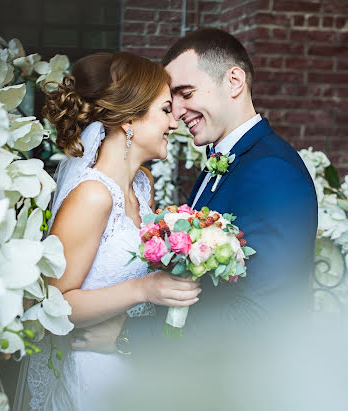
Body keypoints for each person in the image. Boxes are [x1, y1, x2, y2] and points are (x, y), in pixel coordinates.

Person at [71, 28, 322, 410]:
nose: (177, 112)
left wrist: (128, 337)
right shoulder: (219, 165)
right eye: (171, 101)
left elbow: (262, 317)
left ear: (234, 81)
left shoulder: (272, 171)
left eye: (186, 94)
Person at [25, 52, 201, 410]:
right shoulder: (92, 196)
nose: (174, 123)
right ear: (131, 119)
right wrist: (144, 288)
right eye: (165, 110)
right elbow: (53, 304)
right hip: (93, 373)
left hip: (134, 366)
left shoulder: (142, 185)